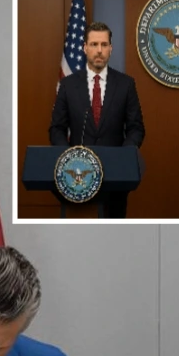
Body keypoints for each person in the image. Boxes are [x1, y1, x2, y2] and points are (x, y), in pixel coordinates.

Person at [49, 21, 146, 218]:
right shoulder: (68, 85)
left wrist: (124, 155)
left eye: (103, 45)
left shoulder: (126, 84)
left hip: (116, 177)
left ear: (110, 49)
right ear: (85, 48)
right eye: (94, 45)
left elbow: (136, 128)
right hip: (76, 177)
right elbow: (57, 128)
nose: (99, 51)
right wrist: (68, 158)